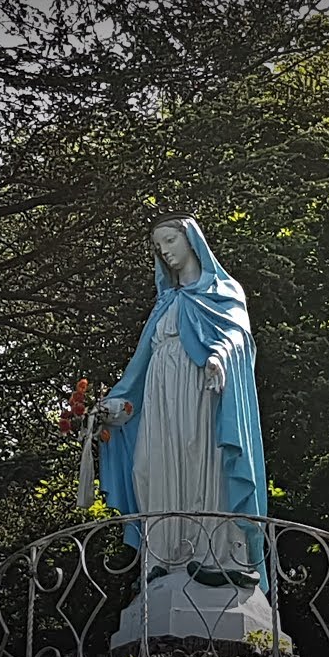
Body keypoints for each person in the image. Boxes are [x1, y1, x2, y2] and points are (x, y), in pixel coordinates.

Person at [97, 211, 267, 589]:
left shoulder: (222, 291)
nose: (165, 252)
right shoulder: (165, 304)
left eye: (170, 240)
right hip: (160, 394)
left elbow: (240, 339)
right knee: (148, 466)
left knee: (200, 461)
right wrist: (114, 404)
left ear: (192, 240)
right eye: (159, 247)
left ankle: (217, 556)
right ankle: (163, 554)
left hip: (200, 388)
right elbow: (138, 367)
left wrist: (220, 357)